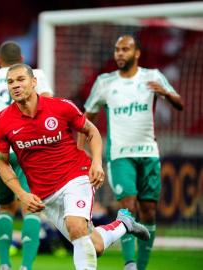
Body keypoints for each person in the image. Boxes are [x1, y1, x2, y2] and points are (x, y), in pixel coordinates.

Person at [0, 63, 150, 270]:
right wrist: (22, 194)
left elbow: (91, 132)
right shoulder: (3, 121)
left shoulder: (60, 107)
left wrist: (96, 162)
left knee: (76, 226)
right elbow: (2, 162)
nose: (15, 85)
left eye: (21, 79)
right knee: (94, 246)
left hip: (76, 175)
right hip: (45, 194)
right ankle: (123, 224)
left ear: (34, 82)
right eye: (10, 81)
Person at [79, 35, 184, 270]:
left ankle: (142, 266)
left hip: (148, 153)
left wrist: (165, 94)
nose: (120, 54)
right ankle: (130, 264)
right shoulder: (105, 82)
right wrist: (79, 149)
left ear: (136, 53)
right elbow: (86, 118)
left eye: (125, 49)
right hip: (119, 155)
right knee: (128, 204)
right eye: (117, 50)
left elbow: (179, 104)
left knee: (148, 210)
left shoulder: (153, 76)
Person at [0, 40, 53, 270]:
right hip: (29, 148)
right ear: (22, 59)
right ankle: (26, 266)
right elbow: (49, 102)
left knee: (5, 209)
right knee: (31, 208)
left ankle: (4, 265)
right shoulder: (35, 74)